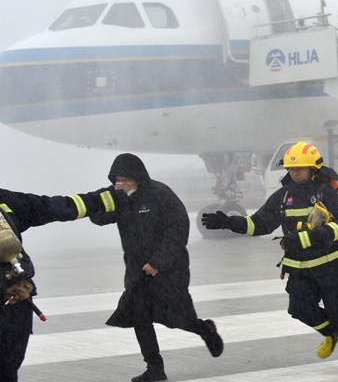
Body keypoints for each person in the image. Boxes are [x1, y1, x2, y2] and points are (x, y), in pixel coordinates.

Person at [202, 142, 338, 374]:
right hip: (300, 267)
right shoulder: (282, 196)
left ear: (314, 169)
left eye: (301, 168)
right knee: (299, 308)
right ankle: (331, 332)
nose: (295, 172)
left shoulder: (325, 193)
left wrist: (312, 237)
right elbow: (258, 224)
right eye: (291, 168)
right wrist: (229, 222)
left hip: (333, 266)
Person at [90, 153, 223, 382]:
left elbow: (177, 230)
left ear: (137, 179)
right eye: (116, 180)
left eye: (124, 180)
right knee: (139, 317)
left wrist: (157, 263)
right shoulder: (118, 198)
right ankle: (154, 368)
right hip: (137, 271)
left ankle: (204, 329)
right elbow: (100, 218)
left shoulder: (160, 195)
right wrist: (95, 202)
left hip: (169, 270)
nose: (119, 185)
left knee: (176, 318)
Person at [1, 185, 125, 382]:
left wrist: (103, 199)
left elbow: (56, 207)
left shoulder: (6, 200)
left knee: (7, 370)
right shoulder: (5, 201)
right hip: (14, 304)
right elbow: (56, 207)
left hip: (14, 308)